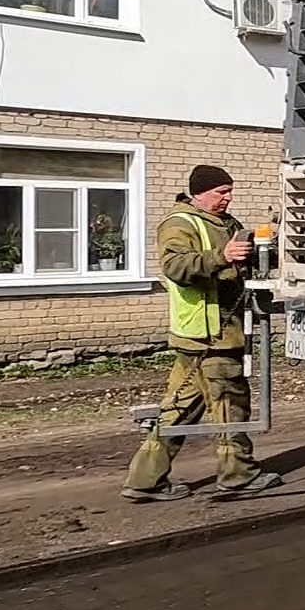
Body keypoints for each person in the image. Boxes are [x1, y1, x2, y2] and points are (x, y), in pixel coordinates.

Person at [121, 165, 283, 501]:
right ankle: (238, 475)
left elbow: (239, 265)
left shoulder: (228, 224)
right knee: (229, 405)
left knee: (180, 408)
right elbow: (176, 267)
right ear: (199, 192)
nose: (228, 197)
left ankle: (144, 481)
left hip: (210, 335)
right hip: (209, 335)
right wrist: (221, 256)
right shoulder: (180, 223)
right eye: (221, 192)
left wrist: (263, 250)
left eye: (230, 191)